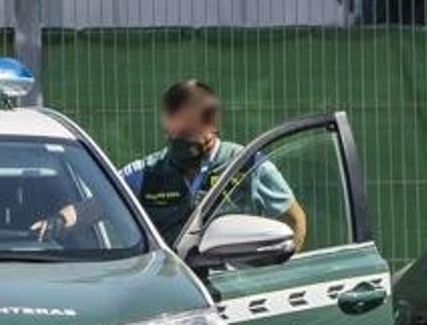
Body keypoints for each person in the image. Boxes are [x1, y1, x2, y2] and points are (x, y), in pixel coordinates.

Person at [34, 80, 307, 249]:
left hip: (234, 285)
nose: (177, 140)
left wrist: (273, 272)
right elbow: (92, 208)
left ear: (211, 126)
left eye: (186, 132)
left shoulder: (244, 164)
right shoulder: (148, 172)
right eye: (172, 133)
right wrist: (58, 221)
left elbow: (294, 220)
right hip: (175, 289)